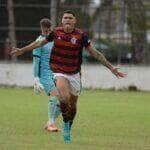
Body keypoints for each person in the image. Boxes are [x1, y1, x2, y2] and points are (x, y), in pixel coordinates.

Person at [11, 10, 126, 143]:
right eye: (65, 18)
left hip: (75, 73)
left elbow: (95, 53)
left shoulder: (81, 36)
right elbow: (38, 43)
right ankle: (63, 124)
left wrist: (111, 67)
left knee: (73, 106)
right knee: (63, 97)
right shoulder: (56, 33)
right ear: (62, 21)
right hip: (59, 72)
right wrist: (22, 50)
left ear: (74, 21)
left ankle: (68, 123)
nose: (67, 20)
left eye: (70, 18)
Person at [33, 18, 61, 132]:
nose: (48, 32)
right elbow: (36, 62)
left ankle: (50, 122)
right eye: (46, 30)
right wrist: (36, 79)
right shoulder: (39, 42)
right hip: (44, 75)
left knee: (64, 100)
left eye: (50, 30)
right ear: (42, 28)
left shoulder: (54, 41)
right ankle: (50, 124)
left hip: (56, 74)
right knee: (56, 96)